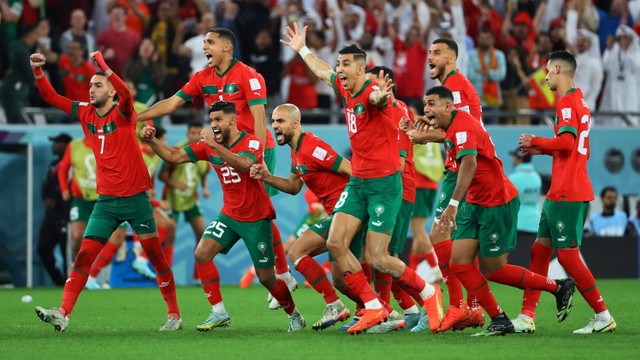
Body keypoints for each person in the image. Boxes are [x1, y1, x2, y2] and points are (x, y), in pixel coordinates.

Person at [281, 22, 442, 335]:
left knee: (378, 257)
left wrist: (382, 97)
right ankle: (372, 307)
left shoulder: (370, 92)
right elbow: (320, 70)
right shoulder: (343, 87)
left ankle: (428, 294)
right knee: (336, 244)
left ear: (359, 69)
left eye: (344, 65)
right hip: (358, 183)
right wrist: (302, 48)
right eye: (339, 64)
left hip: (384, 185)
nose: (339, 69)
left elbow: (377, 102)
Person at [31, 50, 181, 332]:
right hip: (107, 202)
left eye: (98, 85)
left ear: (111, 92)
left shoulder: (125, 112)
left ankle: (174, 315)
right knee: (84, 256)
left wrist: (105, 67)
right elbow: (52, 98)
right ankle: (63, 313)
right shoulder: (85, 112)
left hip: (136, 200)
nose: (91, 89)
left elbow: (125, 91)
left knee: (156, 257)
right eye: (90, 85)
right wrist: (38, 71)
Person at [137, 28, 296, 295]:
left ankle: (282, 274)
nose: (204, 48)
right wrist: (135, 117)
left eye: (210, 42)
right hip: (228, 151)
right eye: (203, 43)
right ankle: (281, 274)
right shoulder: (201, 78)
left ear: (226, 47)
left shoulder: (249, 76)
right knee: (254, 210)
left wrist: (258, 158)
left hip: (255, 149)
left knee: (259, 209)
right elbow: (172, 103)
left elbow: (259, 118)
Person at [419, 85, 576, 336]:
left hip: (496, 202)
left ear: (448, 106)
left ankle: (558, 287)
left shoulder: (462, 126)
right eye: (425, 104)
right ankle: (499, 318)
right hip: (475, 202)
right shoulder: (452, 125)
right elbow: (448, 139)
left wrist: (452, 205)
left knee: (495, 270)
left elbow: (469, 164)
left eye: (432, 104)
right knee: (459, 263)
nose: (427, 109)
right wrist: (424, 133)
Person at [140, 100, 305, 332]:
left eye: (218, 120)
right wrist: (152, 141)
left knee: (266, 277)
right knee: (201, 253)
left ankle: (294, 315)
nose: (213, 124)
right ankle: (219, 312)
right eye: (211, 120)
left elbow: (245, 164)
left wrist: (214, 147)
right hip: (229, 215)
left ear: (232, 120)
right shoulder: (209, 145)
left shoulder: (252, 141)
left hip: (256, 218)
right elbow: (173, 157)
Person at [517, 50, 616, 334]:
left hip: (567, 192)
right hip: (561, 190)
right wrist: (541, 148)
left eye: (547, 71)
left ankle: (602, 315)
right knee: (539, 251)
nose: (545, 76)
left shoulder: (565, 102)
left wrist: (535, 139)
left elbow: (567, 143)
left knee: (568, 256)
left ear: (558, 69)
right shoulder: (580, 101)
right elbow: (566, 147)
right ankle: (526, 316)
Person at [403, 38, 484, 332]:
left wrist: (423, 136)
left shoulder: (457, 88)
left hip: (460, 168)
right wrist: (422, 128)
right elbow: (451, 127)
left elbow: (464, 133)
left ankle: (456, 306)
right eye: (428, 52)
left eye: (436, 53)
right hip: (459, 167)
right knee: (458, 243)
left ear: (451, 59)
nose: (429, 58)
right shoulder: (451, 89)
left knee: (438, 234)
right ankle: (471, 308)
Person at [250, 103, 354, 330]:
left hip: (348, 213)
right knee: (343, 277)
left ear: (296, 123)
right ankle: (387, 311)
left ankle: (338, 305)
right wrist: (266, 177)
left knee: (297, 251)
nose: (275, 125)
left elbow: (352, 171)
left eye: (281, 121)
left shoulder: (312, 147)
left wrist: (355, 208)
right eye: (274, 121)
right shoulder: (296, 151)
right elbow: (293, 186)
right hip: (341, 215)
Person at [158, 121, 211, 280]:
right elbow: (161, 175)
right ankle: (165, 275)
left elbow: (202, 173)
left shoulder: (205, 152)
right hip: (172, 200)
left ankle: (198, 277)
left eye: (198, 133)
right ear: (187, 134)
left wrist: (205, 188)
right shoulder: (175, 151)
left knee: (202, 234)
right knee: (169, 236)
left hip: (190, 201)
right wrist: (175, 184)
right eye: (192, 133)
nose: (195, 136)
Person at [38, 133, 72, 286]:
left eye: (57, 143)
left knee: (67, 251)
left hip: (65, 212)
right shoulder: (53, 164)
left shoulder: (72, 165)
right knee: (43, 247)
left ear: (66, 145)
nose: (54, 146)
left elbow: (70, 186)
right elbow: (46, 185)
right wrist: (46, 198)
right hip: (51, 214)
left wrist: (56, 198)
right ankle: (59, 281)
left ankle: (70, 282)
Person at [507, 147, 542, 239]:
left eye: (514, 156)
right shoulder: (536, 177)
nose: (512, 159)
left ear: (519, 158)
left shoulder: (513, 178)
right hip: (535, 223)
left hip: (518, 224)